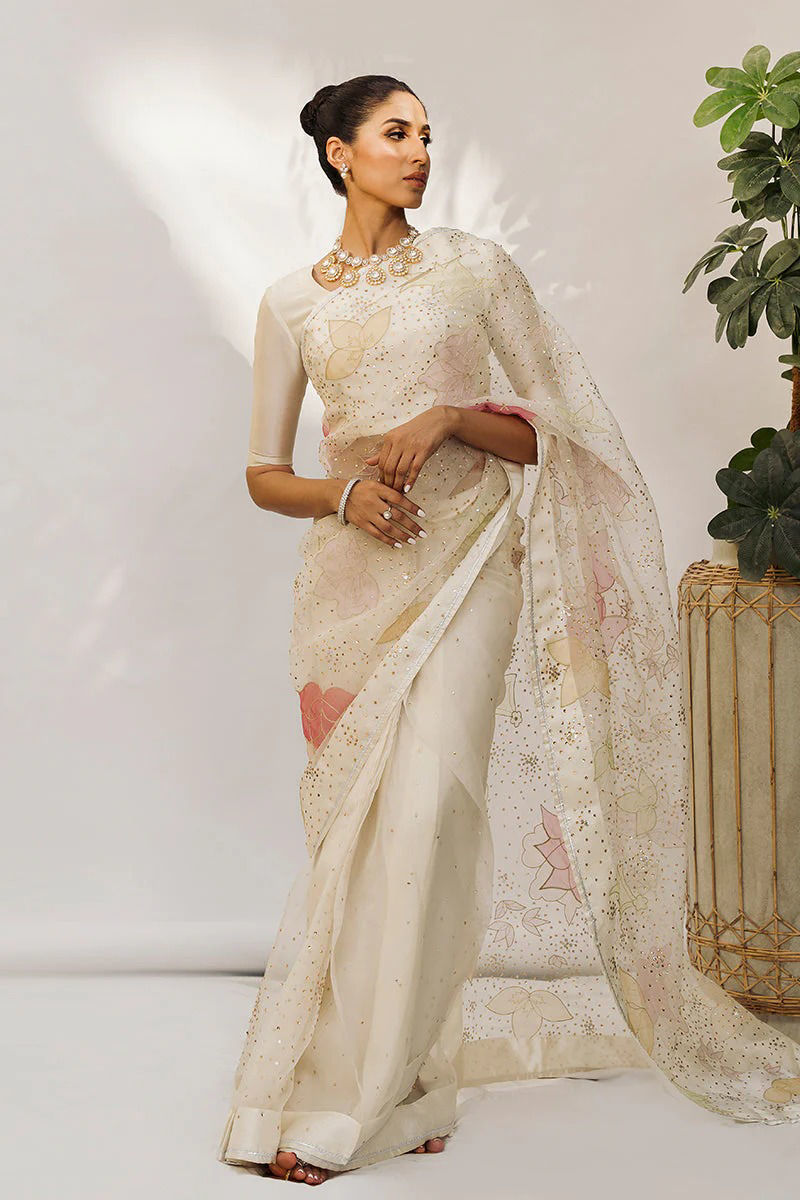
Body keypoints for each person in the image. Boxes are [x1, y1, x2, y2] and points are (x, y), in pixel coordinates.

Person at [218, 75, 800, 1184]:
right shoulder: (291, 302)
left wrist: (449, 416)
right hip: (352, 586)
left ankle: (364, 1100)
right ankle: (412, 1082)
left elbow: (556, 432)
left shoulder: (473, 270)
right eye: (396, 133)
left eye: (426, 135)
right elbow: (262, 474)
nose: (419, 152)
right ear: (339, 153)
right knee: (371, 834)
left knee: (432, 809)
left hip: (472, 557)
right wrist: (344, 497)